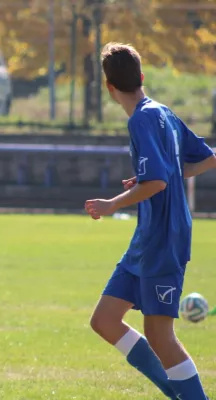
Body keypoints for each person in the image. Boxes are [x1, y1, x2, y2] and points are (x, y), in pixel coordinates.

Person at [85, 43, 216, 399]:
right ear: (141, 77)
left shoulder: (142, 119)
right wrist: (154, 179)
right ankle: (176, 394)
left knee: (160, 335)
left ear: (109, 87)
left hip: (164, 238)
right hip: (147, 238)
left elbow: (157, 181)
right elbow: (204, 160)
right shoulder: (162, 112)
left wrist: (112, 203)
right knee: (105, 321)